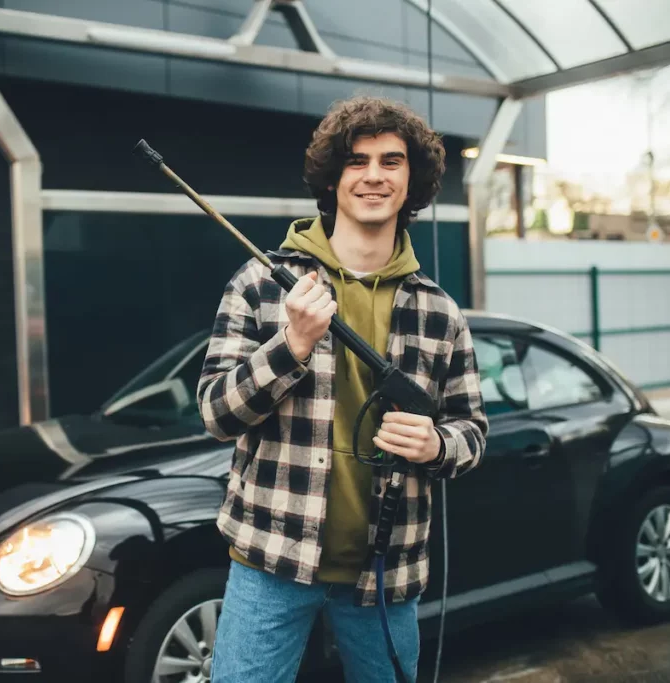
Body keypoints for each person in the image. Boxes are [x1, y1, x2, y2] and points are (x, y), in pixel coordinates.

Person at [196, 95, 489, 683]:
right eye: (357, 161)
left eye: (391, 160)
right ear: (333, 179)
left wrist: (437, 446)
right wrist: (291, 345)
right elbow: (216, 413)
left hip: (386, 570)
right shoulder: (261, 284)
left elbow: (473, 430)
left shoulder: (439, 310)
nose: (374, 175)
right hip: (271, 558)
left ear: (414, 180)